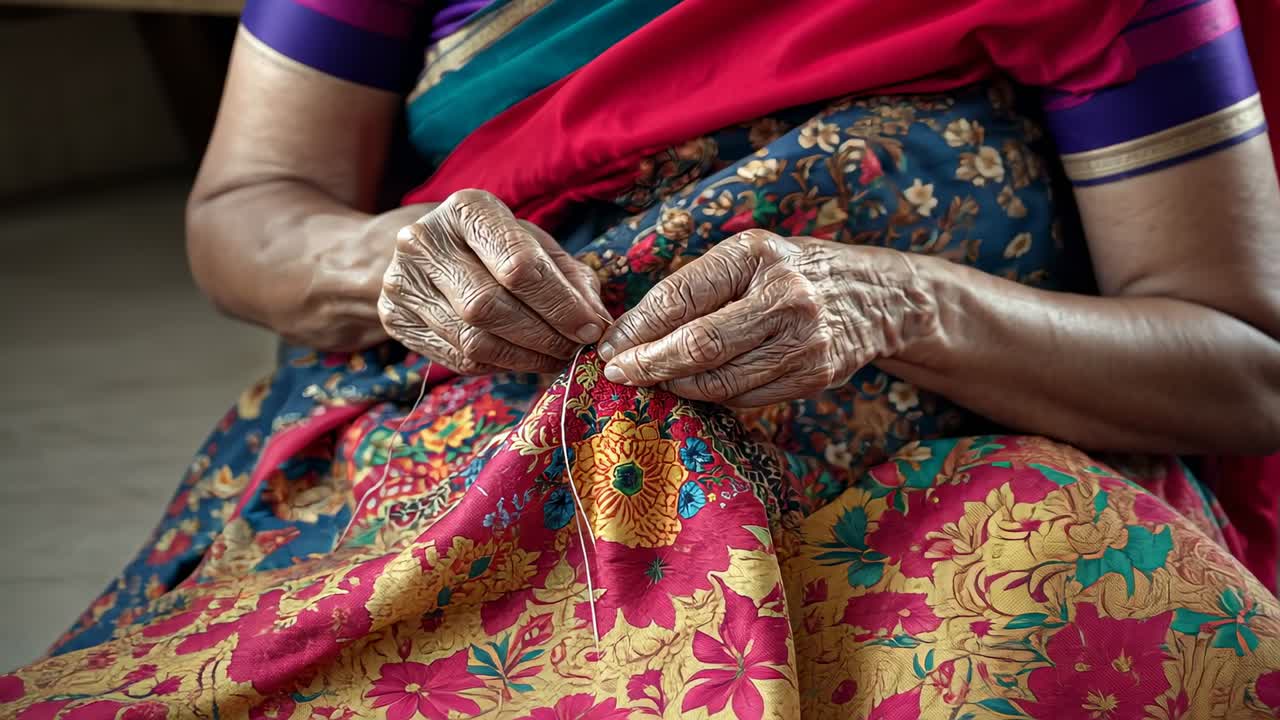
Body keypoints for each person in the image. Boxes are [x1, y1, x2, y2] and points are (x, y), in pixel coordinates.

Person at [5, 0, 1280, 717]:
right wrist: (396, 263)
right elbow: (247, 211)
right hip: (479, 468)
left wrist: (902, 303)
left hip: (945, 467)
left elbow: (1241, 361)